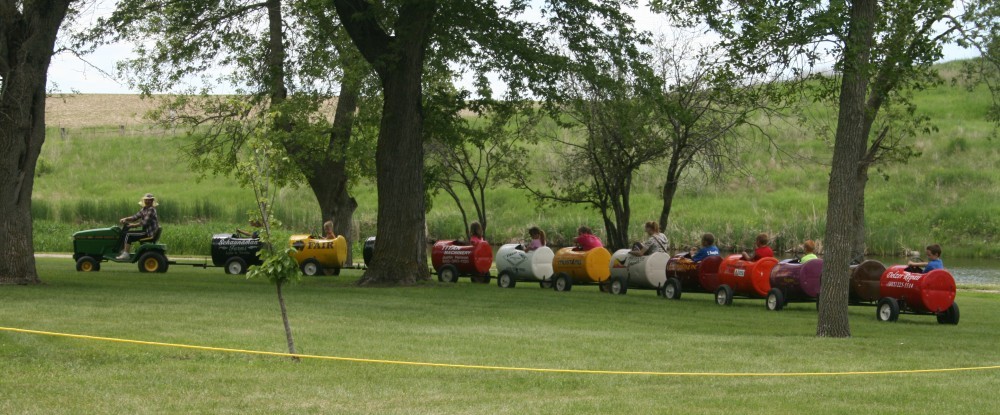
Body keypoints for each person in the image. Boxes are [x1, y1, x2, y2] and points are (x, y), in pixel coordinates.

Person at [117, 193, 160, 260]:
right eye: (146, 200)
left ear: (152, 201)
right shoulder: (144, 209)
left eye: (149, 200)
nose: (147, 201)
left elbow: (145, 222)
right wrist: (125, 219)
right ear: (144, 201)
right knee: (125, 234)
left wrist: (133, 225)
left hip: (148, 233)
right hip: (145, 231)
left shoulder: (151, 209)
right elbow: (135, 217)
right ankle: (124, 251)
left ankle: (126, 254)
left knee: (128, 235)